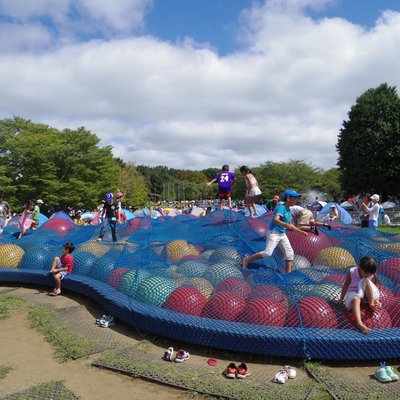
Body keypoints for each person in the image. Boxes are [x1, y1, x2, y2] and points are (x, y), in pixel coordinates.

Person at [242, 190, 308, 273]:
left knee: (289, 254)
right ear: (288, 199)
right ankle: (247, 260)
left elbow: (290, 225)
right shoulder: (281, 208)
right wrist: (286, 225)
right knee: (268, 253)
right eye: (294, 198)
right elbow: (276, 220)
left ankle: (288, 273)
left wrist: (300, 232)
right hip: (274, 233)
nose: (296, 200)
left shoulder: (289, 210)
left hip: (282, 234)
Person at [338, 256, 381, 334]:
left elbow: (374, 288)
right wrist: (341, 298)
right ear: (359, 267)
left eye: (370, 274)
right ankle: (359, 323)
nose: (367, 275)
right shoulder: (352, 272)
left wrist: (377, 300)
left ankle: (372, 303)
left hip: (366, 295)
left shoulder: (369, 274)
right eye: (365, 273)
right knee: (356, 299)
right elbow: (346, 285)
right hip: (354, 293)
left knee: (366, 281)